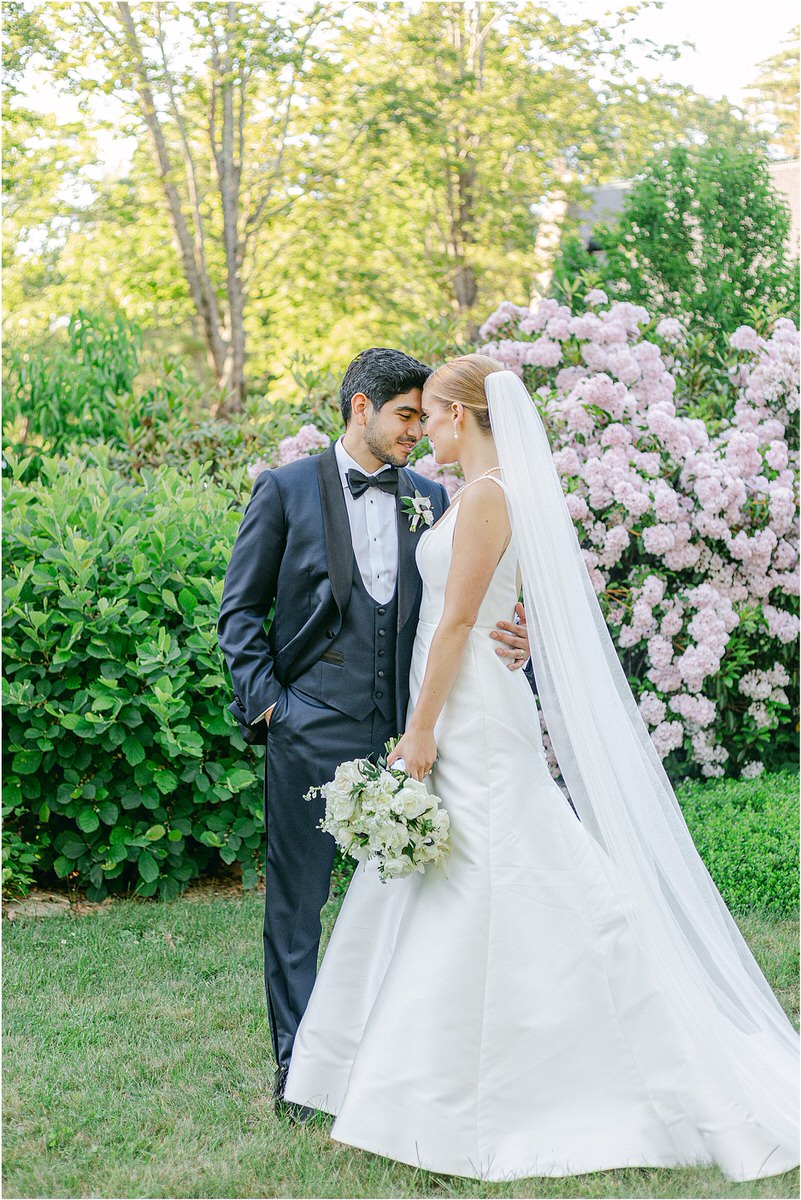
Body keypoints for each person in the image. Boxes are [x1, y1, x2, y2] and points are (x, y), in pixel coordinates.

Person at [283, 354, 800, 1182]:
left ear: (462, 416)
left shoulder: (486, 500)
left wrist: (418, 734)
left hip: (473, 717)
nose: (423, 431)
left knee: (498, 866)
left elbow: (454, 627)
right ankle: (393, 1079)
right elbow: (486, 608)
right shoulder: (464, 499)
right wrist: (505, 636)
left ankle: (498, 1083)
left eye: (432, 416)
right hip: (468, 695)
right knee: (448, 877)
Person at [217, 348, 531, 1124]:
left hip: (410, 736)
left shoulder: (430, 496)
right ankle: (297, 1071)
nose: (416, 434)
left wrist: (512, 633)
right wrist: (271, 709)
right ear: (361, 408)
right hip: (307, 728)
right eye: (404, 417)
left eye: (423, 418)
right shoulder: (285, 490)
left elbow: (462, 605)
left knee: (409, 903)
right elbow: (239, 613)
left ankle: (384, 1058)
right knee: (298, 904)